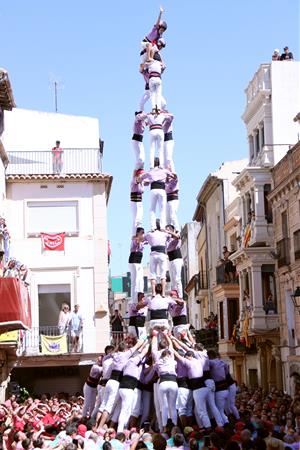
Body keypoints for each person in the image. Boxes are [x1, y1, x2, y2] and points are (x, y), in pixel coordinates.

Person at [97, 339, 144, 430]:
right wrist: (144, 340)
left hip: (109, 382)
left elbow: (110, 354)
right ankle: (99, 427)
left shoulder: (115, 355)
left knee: (103, 405)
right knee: (108, 407)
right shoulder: (124, 355)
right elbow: (137, 346)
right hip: (116, 383)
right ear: (125, 349)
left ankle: (97, 425)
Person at [117, 342, 149, 432]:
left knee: (125, 410)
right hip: (128, 388)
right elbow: (143, 353)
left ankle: (124, 429)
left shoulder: (126, 361)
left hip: (123, 388)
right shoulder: (133, 361)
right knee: (126, 411)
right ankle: (122, 430)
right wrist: (147, 343)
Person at [152, 332, 178, 431]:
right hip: (173, 382)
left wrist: (154, 336)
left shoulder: (158, 358)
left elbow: (153, 348)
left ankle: (164, 428)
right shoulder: (171, 357)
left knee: (164, 406)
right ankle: (174, 427)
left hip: (162, 382)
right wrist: (166, 335)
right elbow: (171, 345)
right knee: (172, 406)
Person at [139, 158, 173, 230]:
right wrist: (168, 173)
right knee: (162, 209)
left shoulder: (150, 172)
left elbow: (142, 178)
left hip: (153, 190)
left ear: (153, 164)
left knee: (152, 209)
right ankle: (162, 226)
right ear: (159, 164)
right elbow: (172, 176)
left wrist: (145, 181)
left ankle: (153, 227)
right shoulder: (164, 171)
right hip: (161, 189)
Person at [144, 221, 169, 296]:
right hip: (162, 254)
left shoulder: (149, 234)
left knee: (153, 274)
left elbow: (143, 240)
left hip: (153, 254)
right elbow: (173, 236)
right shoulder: (164, 234)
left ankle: (153, 292)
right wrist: (165, 231)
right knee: (163, 274)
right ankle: (163, 293)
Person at [140, 6, 167, 72]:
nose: (162, 31)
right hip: (145, 42)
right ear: (159, 28)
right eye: (161, 29)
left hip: (150, 45)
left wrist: (162, 62)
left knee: (155, 48)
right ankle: (149, 58)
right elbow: (157, 22)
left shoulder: (159, 35)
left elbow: (158, 46)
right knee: (149, 44)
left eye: (163, 31)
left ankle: (150, 60)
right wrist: (160, 13)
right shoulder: (155, 29)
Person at [129, 227, 146, 303]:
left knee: (140, 280)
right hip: (134, 261)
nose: (143, 234)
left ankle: (139, 296)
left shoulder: (142, 241)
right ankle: (134, 299)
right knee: (135, 280)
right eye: (142, 233)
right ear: (138, 233)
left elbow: (146, 241)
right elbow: (136, 243)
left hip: (138, 262)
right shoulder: (135, 240)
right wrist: (138, 238)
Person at [166, 225, 183, 297]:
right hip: (170, 259)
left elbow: (177, 237)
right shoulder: (167, 240)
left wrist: (170, 232)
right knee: (172, 279)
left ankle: (180, 296)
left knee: (177, 278)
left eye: (168, 230)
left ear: (172, 230)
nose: (167, 231)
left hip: (177, 258)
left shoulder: (176, 236)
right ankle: (174, 294)